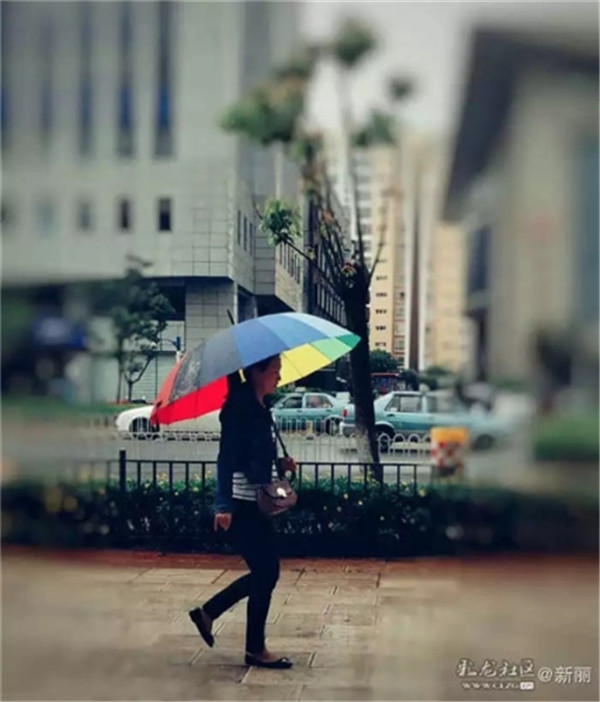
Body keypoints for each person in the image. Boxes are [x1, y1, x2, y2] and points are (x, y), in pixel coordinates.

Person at [188, 355, 297, 669]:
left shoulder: (260, 408)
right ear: (256, 372)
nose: (279, 376)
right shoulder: (239, 410)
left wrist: (280, 465)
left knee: (266, 573)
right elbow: (226, 459)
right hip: (242, 504)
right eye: (275, 371)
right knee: (266, 573)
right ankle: (252, 647)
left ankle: (211, 615)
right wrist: (223, 505)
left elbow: (256, 459)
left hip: (258, 503)